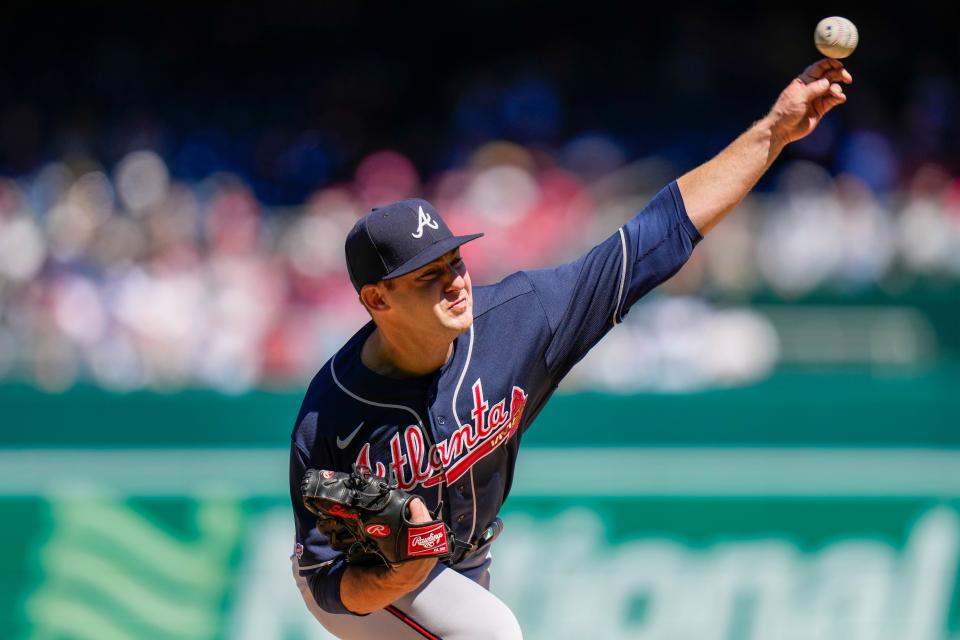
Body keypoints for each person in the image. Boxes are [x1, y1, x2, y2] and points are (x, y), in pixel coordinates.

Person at [289, 59, 853, 639]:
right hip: (367, 590)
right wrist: (392, 575)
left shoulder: (520, 318)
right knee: (491, 633)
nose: (456, 280)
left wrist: (774, 132)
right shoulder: (330, 412)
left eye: (454, 260)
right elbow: (327, 578)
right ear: (377, 300)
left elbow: (656, 234)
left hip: (465, 560)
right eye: (427, 275)